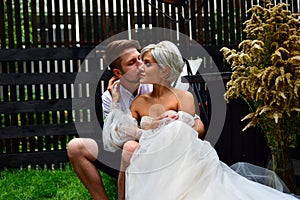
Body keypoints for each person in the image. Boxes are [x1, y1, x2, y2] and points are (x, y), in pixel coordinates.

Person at [103, 41, 299, 199]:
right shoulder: (138, 102)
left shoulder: (183, 97)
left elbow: (192, 134)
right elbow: (122, 134)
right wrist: (121, 105)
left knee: (178, 128)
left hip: (181, 160)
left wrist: (174, 122)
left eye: (147, 63)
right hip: (148, 158)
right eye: (139, 62)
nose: (141, 68)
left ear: (164, 71)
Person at [67, 39, 205, 200]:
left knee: (131, 146)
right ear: (119, 73)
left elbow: (195, 123)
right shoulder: (110, 97)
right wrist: (116, 103)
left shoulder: (156, 82)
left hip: (152, 150)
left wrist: (174, 127)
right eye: (133, 62)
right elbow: (113, 139)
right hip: (121, 151)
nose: (140, 65)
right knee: (75, 146)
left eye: (140, 59)